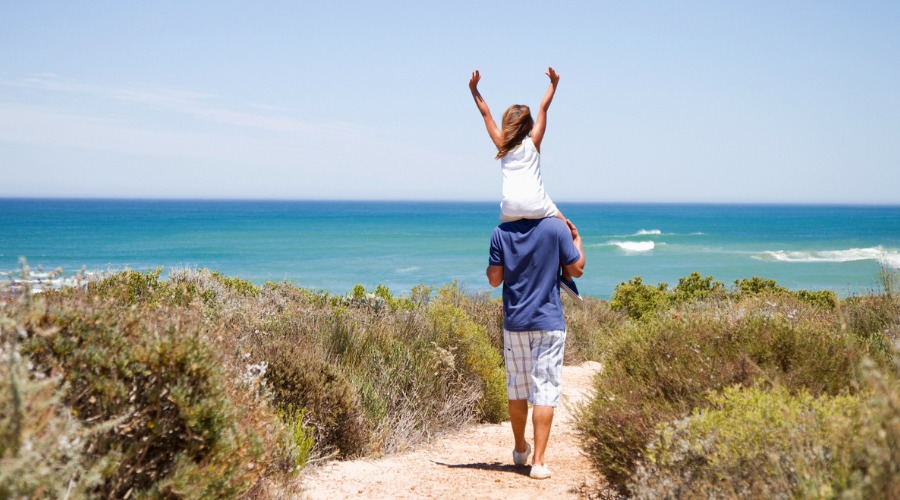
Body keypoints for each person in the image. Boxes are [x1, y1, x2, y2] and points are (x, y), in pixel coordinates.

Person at [486, 214, 585, 479]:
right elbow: (576, 269)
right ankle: (538, 463)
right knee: (545, 389)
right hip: (549, 322)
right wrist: (577, 240)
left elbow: (494, 279)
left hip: (516, 321)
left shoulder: (501, 232)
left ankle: (520, 450)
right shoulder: (556, 227)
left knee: (517, 387)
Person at [469, 67, 582, 300]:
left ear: (508, 125)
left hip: (510, 209)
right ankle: (567, 278)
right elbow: (544, 108)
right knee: (568, 232)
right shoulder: (534, 143)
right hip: (538, 205)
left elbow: (485, 115)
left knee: (509, 243)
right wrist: (554, 84)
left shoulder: (502, 144)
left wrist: (474, 89)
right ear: (528, 125)